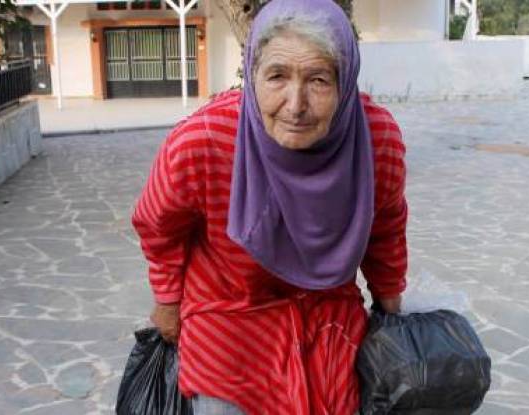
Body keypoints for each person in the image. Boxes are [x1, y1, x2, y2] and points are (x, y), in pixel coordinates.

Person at [132, 0, 408, 413]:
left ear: (346, 81)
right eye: (277, 76)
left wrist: (391, 305)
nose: (295, 105)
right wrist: (168, 301)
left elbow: (385, 227)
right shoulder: (203, 140)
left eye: (319, 80)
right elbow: (159, 225)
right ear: (251, 74)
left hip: (328, 320)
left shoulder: (375, 138)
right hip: (229, 316)